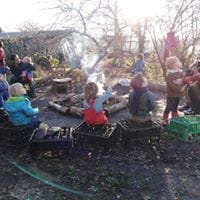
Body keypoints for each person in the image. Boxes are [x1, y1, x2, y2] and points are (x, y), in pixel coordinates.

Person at [162, 56, 200, 125]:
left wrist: (189, 82)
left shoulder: (179, 73)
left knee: (175, 107)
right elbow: (172, 86)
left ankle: (175, 119)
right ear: (174, 65)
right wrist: (180, 88)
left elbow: (185, 80)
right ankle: (165, 119)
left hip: (177, 95)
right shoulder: (170, 75)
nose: (180, 62)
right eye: (178, 61)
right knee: (169, 107)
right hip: (171, 96)